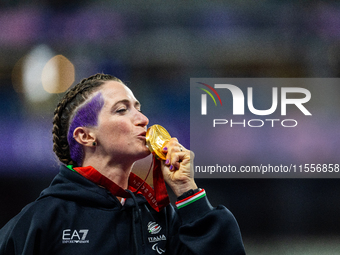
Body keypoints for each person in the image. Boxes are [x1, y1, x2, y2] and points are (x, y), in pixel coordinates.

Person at [0, 73, 246, 254]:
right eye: (122, 110)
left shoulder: (159, 216)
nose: (143, 119)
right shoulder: (43, 219)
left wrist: (187, 192)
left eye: (137, 108)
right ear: (85, 136)